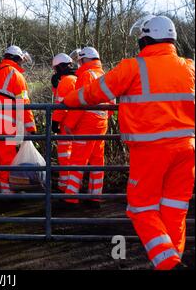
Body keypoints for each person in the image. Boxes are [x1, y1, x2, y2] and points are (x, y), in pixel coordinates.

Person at [63, 15, 195, 270]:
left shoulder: (133, 67)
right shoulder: (189, 67)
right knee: (174, 210)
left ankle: (169, 264)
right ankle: (171, 259)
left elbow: (94, 93)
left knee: (141, 208)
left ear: (145, 39)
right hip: (187, 150)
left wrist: (67, 101)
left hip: (151, 151)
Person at [0, 45, 36, 194]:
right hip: (3, 124)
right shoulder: (16, 74)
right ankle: (7, 191)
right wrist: (31, 129)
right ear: (17, 59)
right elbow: (23, 104)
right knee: (7, 159)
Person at [61, 47, 112, 207]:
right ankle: (95, 197)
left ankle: (71, 198)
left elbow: (79, 102)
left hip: (86, 125)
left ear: (83, 60)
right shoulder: (104, 75)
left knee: (77, 160)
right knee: (97, 161)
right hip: (101, 124)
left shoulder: (85, 75)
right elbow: (111, 104)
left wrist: (69, 124)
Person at [50, 53, 77, 192]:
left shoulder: (66, 81)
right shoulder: (76, 78)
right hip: (77, 124)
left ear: (59, 67)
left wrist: (55, 122)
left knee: (65, 157)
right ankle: (70, 187)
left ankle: (65, 187)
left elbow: (61, 104)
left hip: (66, 124)